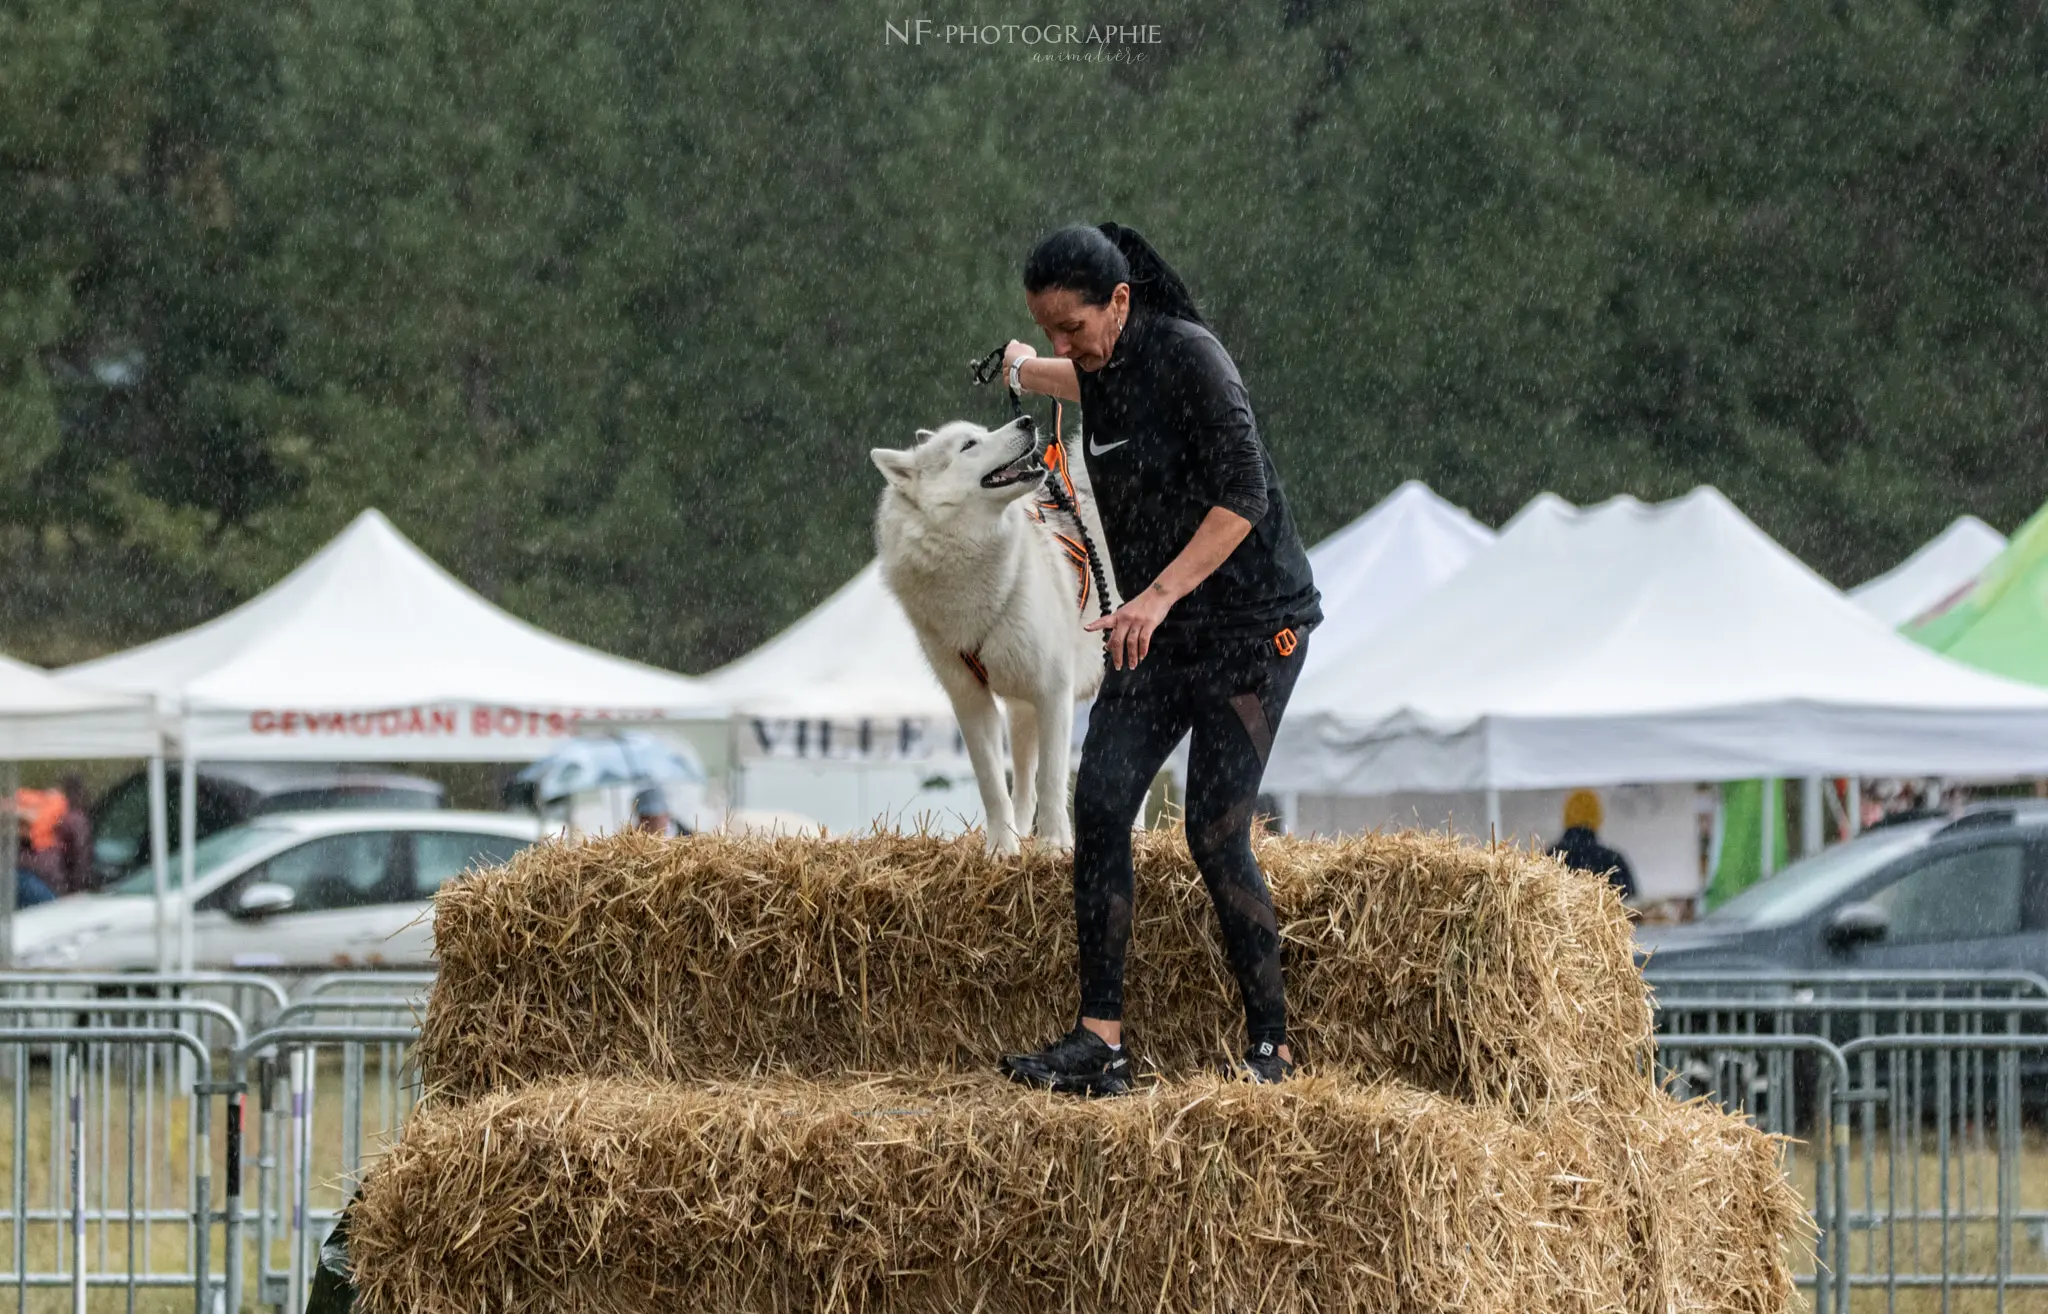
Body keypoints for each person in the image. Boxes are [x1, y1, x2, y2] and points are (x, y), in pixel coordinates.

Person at [994, 223, 1323, 1095]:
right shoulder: (1096, 366)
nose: (1069, 345)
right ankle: (1101, 1040)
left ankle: (1274, 1049)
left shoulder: (1193, 360)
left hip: (1253, 627)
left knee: (1214, 830)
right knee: (1098, 801)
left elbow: (1244, 497)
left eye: (1074, 325)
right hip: (1159, 630)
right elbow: (1078, 374)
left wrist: (1158, 594)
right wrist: (1025, 368)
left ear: (1122, 302)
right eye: (1049, 327)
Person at [1549, 789, 1637, 902]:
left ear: (1566, 816)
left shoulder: (1549, 859)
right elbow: (1633, 907)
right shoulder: (1613, 861)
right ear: (1598, 818)